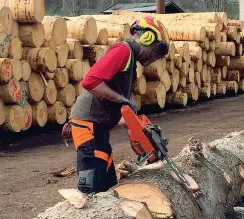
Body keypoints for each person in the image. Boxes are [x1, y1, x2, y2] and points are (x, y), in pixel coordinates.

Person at [64, 16, 170, 194]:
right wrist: (120, 98)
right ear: (147, 38)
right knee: (92, 189)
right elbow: (90, 81)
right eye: (158, 51)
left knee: (109, 186)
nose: (156, 58)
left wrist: (138, 127)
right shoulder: (122, 51)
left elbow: (112, 103)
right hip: (88, 125)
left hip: (99, 127)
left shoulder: (130, 60)